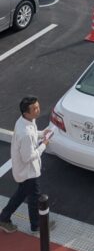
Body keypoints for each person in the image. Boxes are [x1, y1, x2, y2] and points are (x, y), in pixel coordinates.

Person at [0, 97, 53, 234]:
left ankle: (4, 218)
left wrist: (42, 134)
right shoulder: (25, 133)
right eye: (34, 109)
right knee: (34, 198)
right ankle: (36, 225)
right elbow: (28, 157)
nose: (38, 110)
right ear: (26, 113)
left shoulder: (26, 121)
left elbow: (33, 134)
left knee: (21, 195)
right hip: (28, 171)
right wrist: (44, 145)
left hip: (24, 171)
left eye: (38, 106)